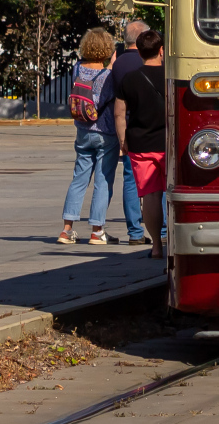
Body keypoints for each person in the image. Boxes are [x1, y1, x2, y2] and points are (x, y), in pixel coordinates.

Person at [58, 28, 120, 246]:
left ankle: (67, 230)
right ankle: (97, 231)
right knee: (103, 182)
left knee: (79, 179)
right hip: (105, 133)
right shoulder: (108, 75)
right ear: (107, 49)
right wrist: (112, 64)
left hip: (82, 132)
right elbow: (109, 98)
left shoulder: (77, 69)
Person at [114, 29, 166, 260]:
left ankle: (156, 246)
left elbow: (119, 113)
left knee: (151, 196)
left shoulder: (130, 79)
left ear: (140, 52)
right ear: (161, 50)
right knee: (174, 194)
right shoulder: (171, 77)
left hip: (141, 145)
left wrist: (123, 140)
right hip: (170, 144)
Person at [111, 20, 151, 246]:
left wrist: (121, 138)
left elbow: (118, 106)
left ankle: (135, 232)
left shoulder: (117, 64)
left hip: (127, 127)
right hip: (151, 127)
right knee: (157, 179)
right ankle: (162, 229)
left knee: (130, 180)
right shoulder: (150, 61)